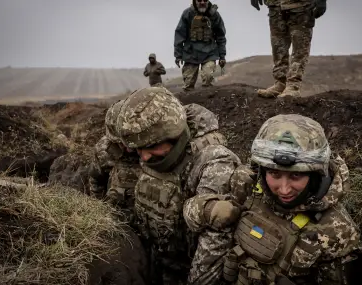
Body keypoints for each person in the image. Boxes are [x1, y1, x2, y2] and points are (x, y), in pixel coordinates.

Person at [104, 86, 254, 285]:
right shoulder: (149, 143)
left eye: (151, 147)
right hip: (157, 260)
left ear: (175, 136)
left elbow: (213, 244)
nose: (144, 156)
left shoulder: (213, 163)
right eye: (138, 149)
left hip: (186, 269)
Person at [218, 114, 362, 284]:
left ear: (315, 174)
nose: (284, 189)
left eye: (296, 175)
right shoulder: (246, 184)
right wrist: (206, 208)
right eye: (274, 173)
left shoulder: (337, 231)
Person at [250, 0, 327, 98]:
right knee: (278, 47)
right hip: (275, 5)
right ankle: (280, 84)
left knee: (300, 48)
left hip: (301, 6)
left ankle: (293, 86)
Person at [174, 0, 227, 91]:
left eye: (205, 0)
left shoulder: (214, 15)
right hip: (190, 53)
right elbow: (179, 34)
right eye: (199, 0)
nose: (202, 2)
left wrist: (222, 56)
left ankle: (208, 101)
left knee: (208, 77)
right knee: (188, 84)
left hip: (209, 52)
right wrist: (178, 55)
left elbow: (220, 36)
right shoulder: (187, 13)